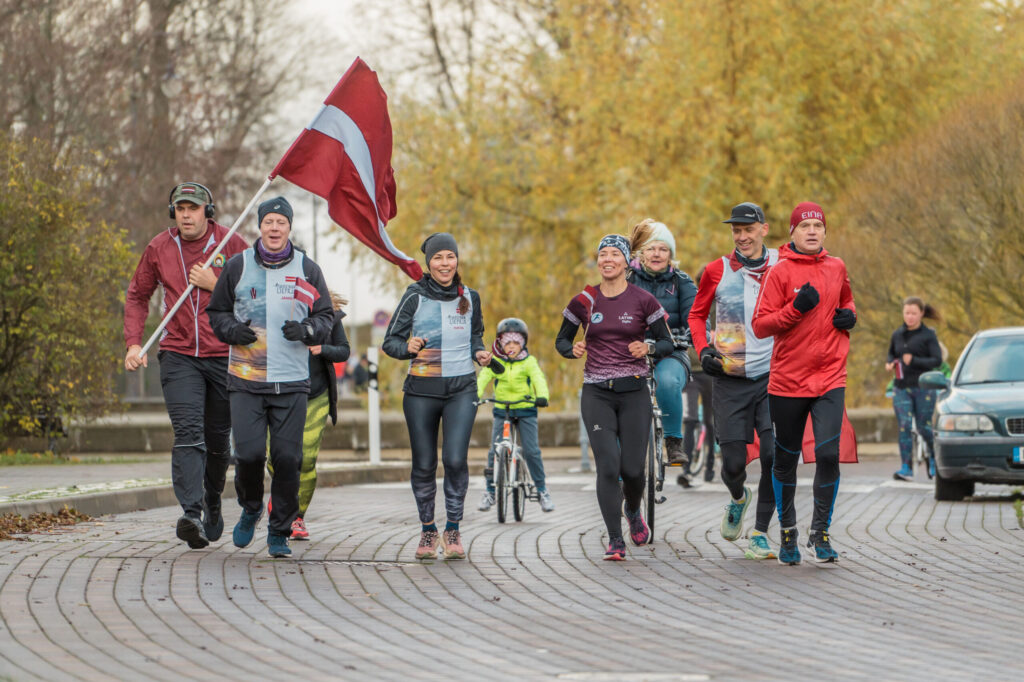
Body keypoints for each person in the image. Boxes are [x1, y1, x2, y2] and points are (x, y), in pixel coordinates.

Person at [207, 196, 334, 558]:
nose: (274, 228)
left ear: (289, 228)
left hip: (292, 382)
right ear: (260, 227)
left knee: (287, 459)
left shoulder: (307, 269)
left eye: (281, 222)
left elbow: (326, 315)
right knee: (247, 455)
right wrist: (232, 330)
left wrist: (308, 329)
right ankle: (250, 507)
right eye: (269, 222)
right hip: (246, 380)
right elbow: (216, 311)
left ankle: (279, 531)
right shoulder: (237, 266)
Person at [124, 182, 248, 549]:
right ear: (172, 212)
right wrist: (134, 342)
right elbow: (137, 295)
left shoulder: (232, 244)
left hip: (224, 356)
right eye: (180, 208)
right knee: (188, 432)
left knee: (217, 443)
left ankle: (212, 499)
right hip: (178, 355)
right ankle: (190, 514)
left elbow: (256, 294)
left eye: (193, 208)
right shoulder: (159, 248)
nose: (187, 215)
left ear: (207, 212)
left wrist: (217, 282)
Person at [556, 235, 674, 561]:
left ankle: (633, 509)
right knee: (608, 467)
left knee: (633, 470)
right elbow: (561, 341)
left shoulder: (643, 300)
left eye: (614, 254)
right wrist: (572, 349)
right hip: (597, 393)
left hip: (634, 390)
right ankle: (615, 539)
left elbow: (666, 343)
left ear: (626, 262)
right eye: (602, 254)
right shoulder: (584, 299)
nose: (607, 259)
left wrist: (648, 347)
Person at [752, 201, 856, 565]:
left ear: (825, 232)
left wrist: (849, 317)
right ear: (792, 232)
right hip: (788, 381)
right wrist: (796, 309)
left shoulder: (837, 267)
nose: (812, 231)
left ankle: (821, 532)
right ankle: (788, 532)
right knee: (786, 460)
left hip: (830, 376)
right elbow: (761, 325)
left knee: (829, 454)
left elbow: (847, 301)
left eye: (818, 226)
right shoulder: (778, 272)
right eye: (805, 226)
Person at [382, 233, 489, 561]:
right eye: (438, 258)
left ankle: (453, 528)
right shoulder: (414, 296)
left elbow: (476, 336)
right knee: (425, 464)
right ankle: (428, 529)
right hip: (421, 392)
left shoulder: (470, 296)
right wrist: (408, 348)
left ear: (457, 260)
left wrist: (480, 352)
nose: (445, 263)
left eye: (450, 257)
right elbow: (391, 342)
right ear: (428, 262)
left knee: (455, 460)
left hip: (461, 389)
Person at [688, 202, 779, 560]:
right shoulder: (717, 269)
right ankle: (739, 497)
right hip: (729, 377)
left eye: (748, 229)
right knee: (732, 465)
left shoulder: (782, 265)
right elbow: (697, 316)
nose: (741, 237)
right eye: (736, 231)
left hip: (773, 377)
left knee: (774, 455)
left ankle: (759, 533)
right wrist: (704, 350)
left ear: (763, 229)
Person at [268, 291, 350, 538]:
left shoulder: (331, 315)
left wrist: (322, 348)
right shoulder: (272, 309)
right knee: (277, 458)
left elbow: (343, 351)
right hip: (278, 393)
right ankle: (283, 498)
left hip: (315, 395)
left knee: (305, 460)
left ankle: (297, 516)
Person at [626, 219, 697, 468]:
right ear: (641, 252)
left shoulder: (682, 282)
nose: (657, 253)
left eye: (663, 249)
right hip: (631, 353)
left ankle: (673, 442)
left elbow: (695, 317)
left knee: (667, 383)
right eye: (651, 248)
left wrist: (699, 337)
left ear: (671, 254)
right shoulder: (626, 279)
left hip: (671, 350)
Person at [477, 318, 554, 513]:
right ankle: (490, 492)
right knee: (494, 450)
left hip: (526, 409)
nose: (511, 347)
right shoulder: (496, 362)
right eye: (507, 343)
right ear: (501, 345)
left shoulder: (529, 362)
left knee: (531, 451)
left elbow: (538, 378)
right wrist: (474, 396)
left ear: (523, 344)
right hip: (502, 410)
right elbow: (483, 377)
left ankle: (542, 490)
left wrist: (542, 396)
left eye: (516, 343)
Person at [887, 297, 942, 480]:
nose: (910, 317)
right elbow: (891, 354)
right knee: (903, 425)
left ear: (921, 314)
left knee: (924, 427)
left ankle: (934, 459)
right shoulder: (897, 334)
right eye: (907, 313)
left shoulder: (928, 335)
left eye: (913, 313)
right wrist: (889, 363)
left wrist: (915, 361)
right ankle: (906, 467)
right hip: (901, 387)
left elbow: (937, 360)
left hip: (923, 388)